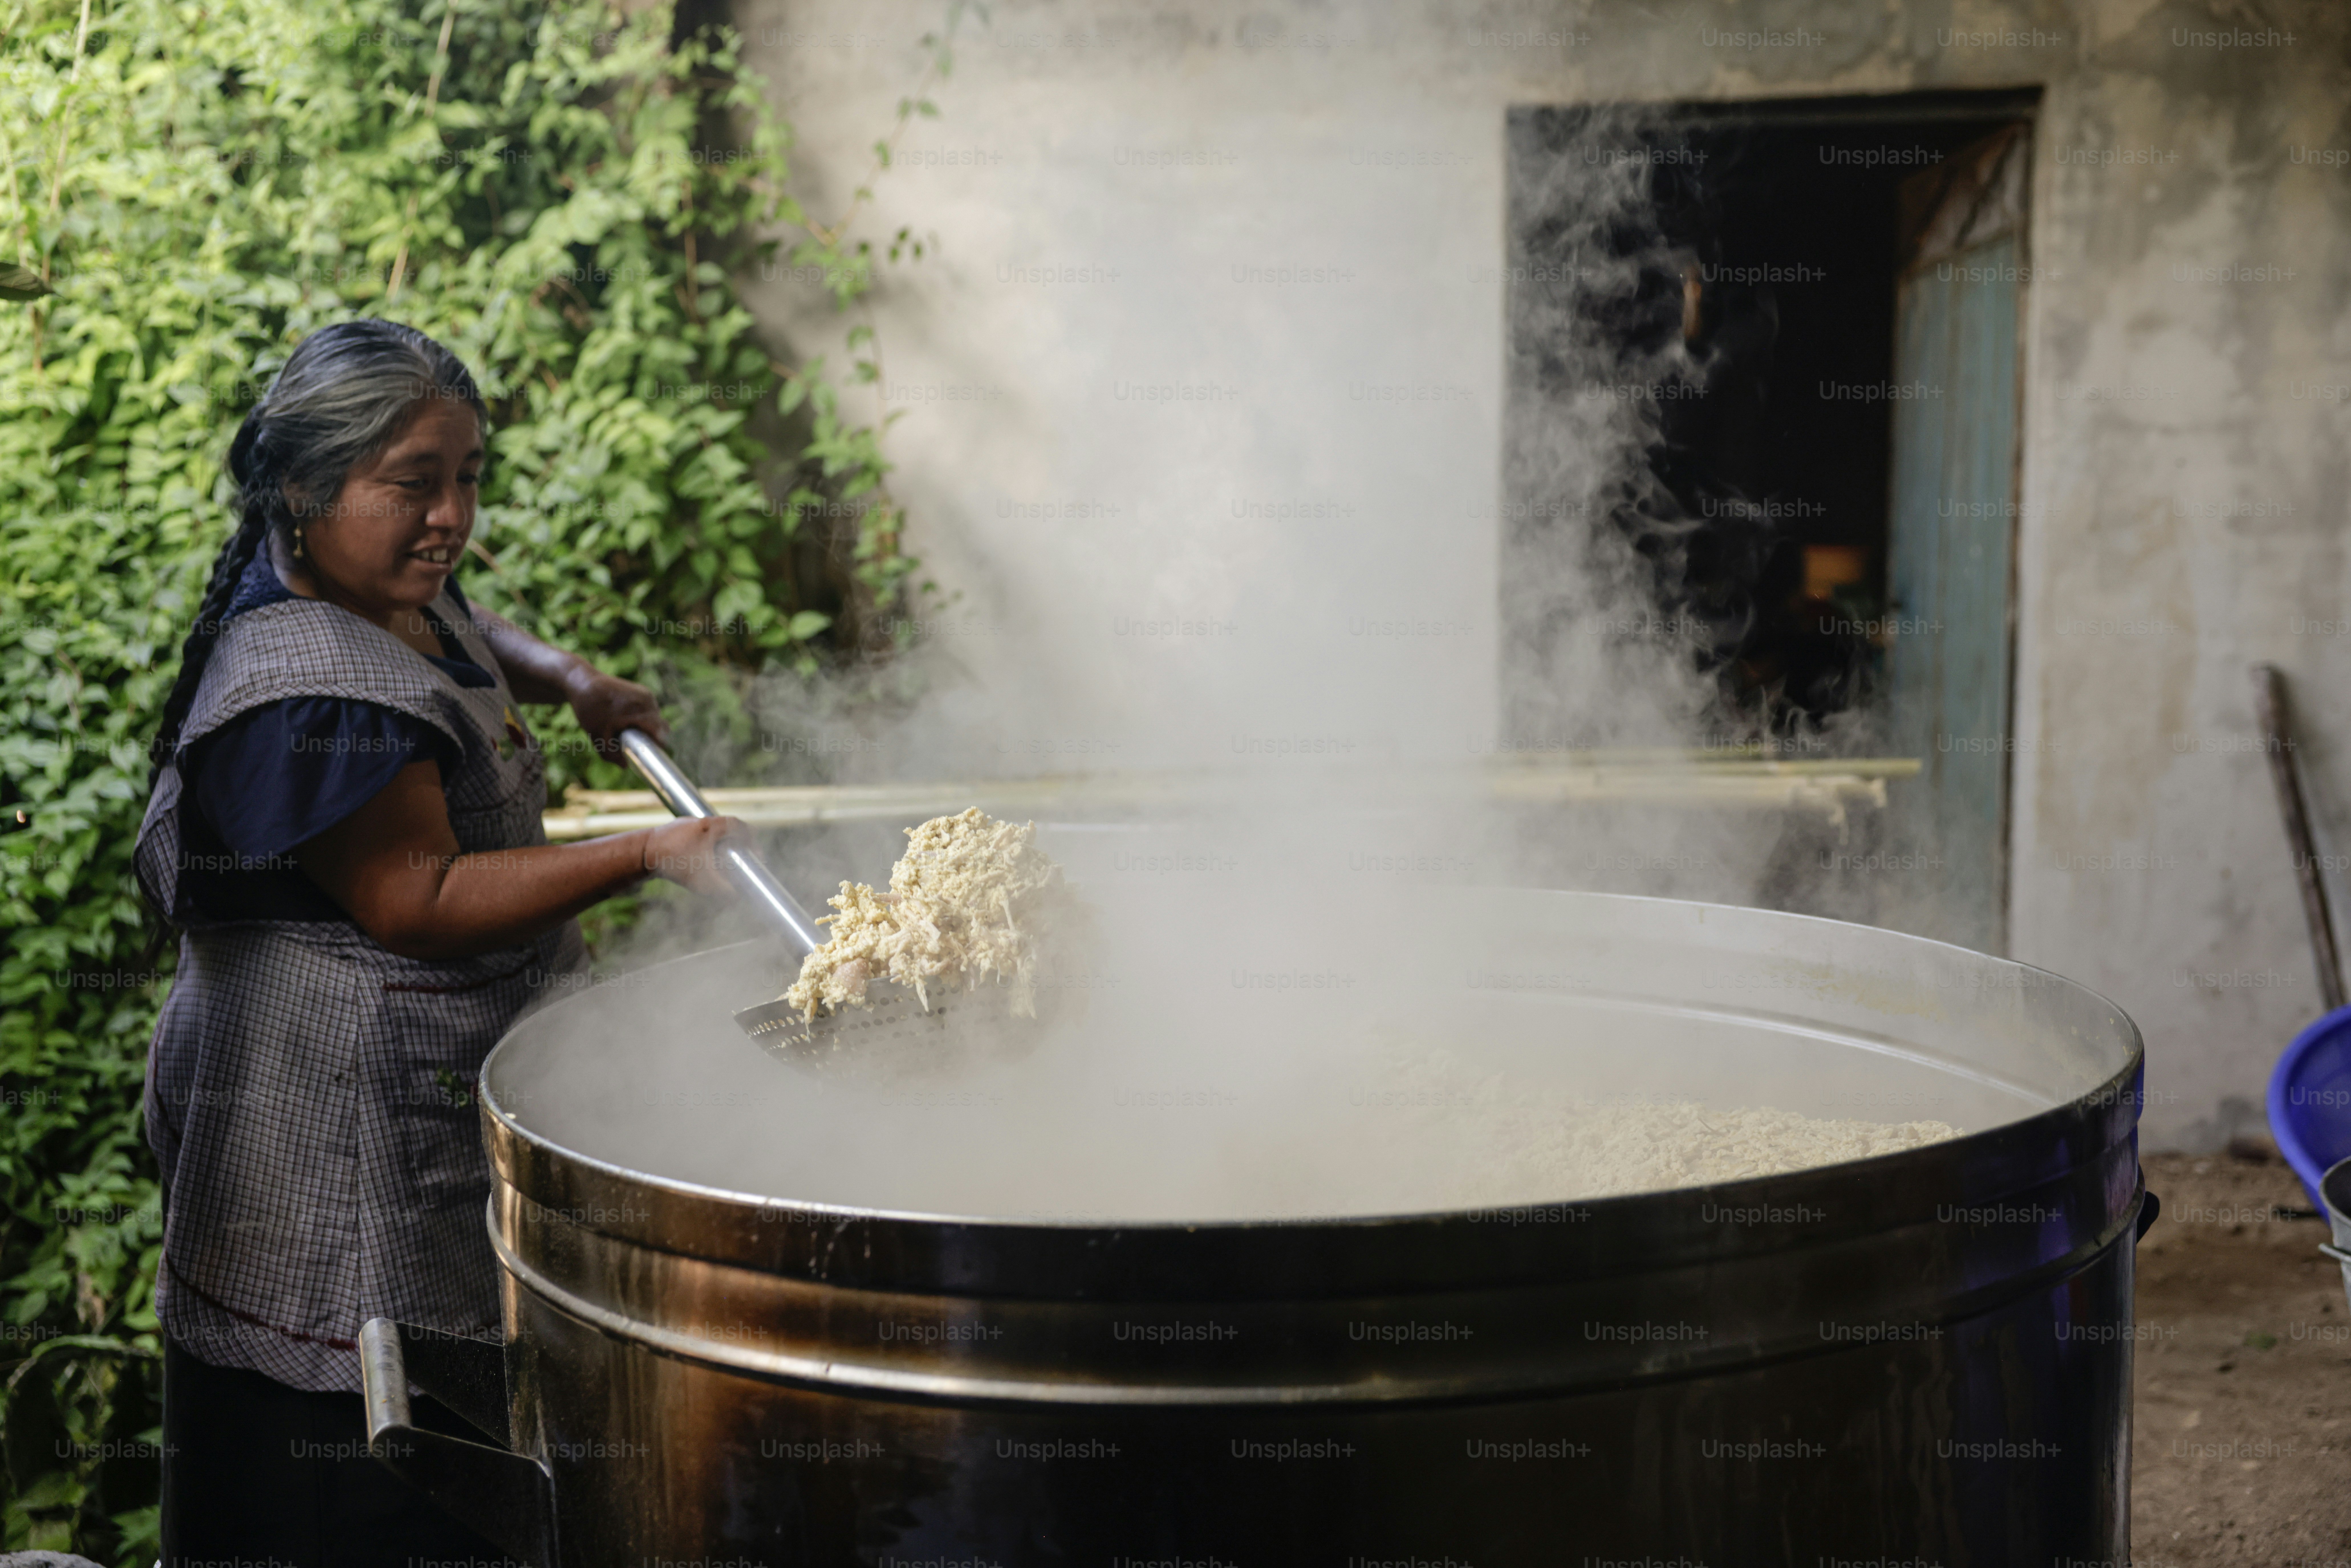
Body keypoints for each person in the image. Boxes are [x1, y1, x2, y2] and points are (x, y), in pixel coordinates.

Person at [133, 320, 744, 1561]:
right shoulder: (301, 688)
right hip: (322, 1134)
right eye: (415, 482)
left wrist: (565, 677)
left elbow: (464, 618)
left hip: (403, 1088)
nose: (450, 516)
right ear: (302, 491)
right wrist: (644, 852)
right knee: (354, 1447)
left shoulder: (366, 577)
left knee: (443, 1410)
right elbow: (411, 895)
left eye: (467, 475)